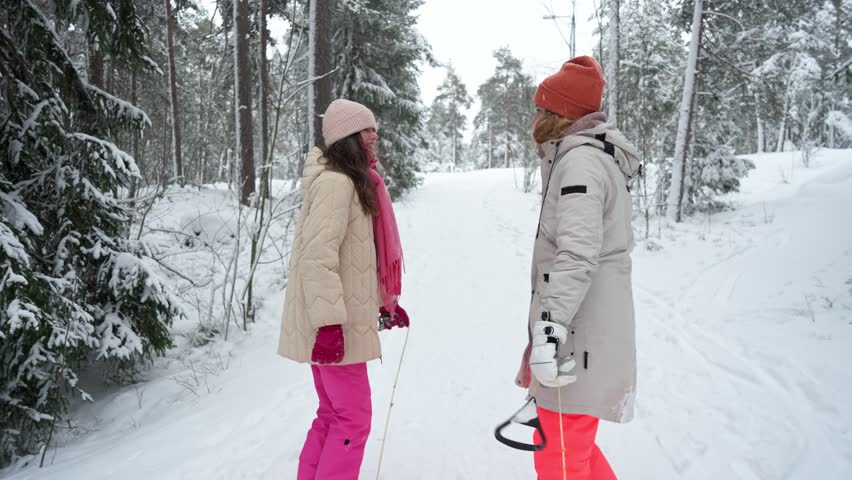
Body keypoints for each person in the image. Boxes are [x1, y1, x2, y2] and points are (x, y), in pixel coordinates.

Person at [515, 56, 642, 479]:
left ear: (559, 115)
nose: (534, 117)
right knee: (574, 452)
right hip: (580, 329)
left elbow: (577, 254)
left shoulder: (581, 164)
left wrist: (548, 332)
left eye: (541, 109)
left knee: (559, 457)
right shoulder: (578, 159)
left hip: (579, 335)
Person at [277, 99, 406, 480]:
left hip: (338, 322)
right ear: (348, 137)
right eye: (366, 130)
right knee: (353, 420)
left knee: (334, 414)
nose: (374, 135)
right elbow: (318, 258)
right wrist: (330, 325)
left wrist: (383, 305)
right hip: (334, 328)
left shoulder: (351, 182)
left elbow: (354, 261)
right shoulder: (336, 184)